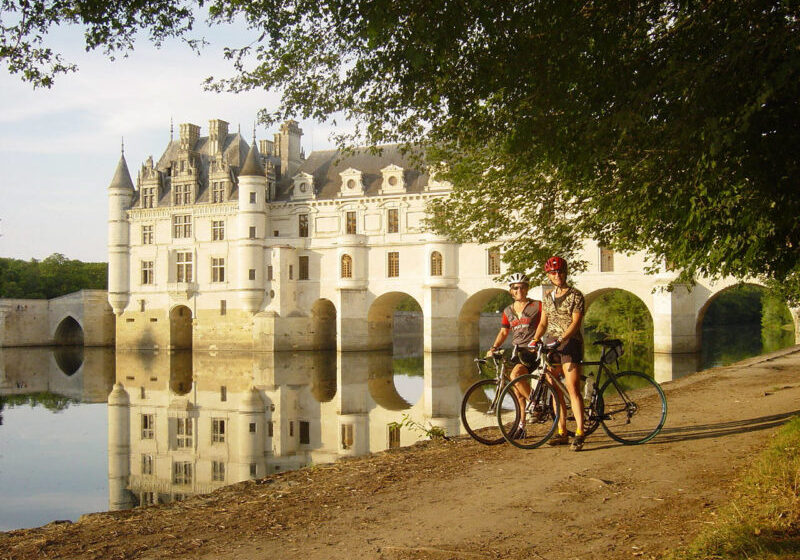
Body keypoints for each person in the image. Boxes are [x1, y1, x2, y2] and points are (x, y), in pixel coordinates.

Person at [530, 256, 587, 451]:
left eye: (560, 272)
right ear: (549, 275)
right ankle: (562, 431)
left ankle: (580, 432)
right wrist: (535, 339)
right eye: (553, 273)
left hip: (570, 343)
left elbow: (575, 322)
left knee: (572, 388)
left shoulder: (576, 295)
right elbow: (543, 323)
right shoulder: (547, 298)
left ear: (565, 273)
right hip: (550, 345)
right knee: (553, 388)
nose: (557, 275)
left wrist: (562, 338)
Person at [486, 273, 542, 435]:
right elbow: (504, 332)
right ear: (511, 291)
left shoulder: (537, 306)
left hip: (532, 350)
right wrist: (494, 347)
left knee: (515, 375)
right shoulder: (507, 310)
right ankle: (521, 427)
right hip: (517, 351)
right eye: (516, 288)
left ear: (527, 288)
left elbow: (546, 322)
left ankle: (535, 405)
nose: (519, 290)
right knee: (517, 392)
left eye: (523, 287)